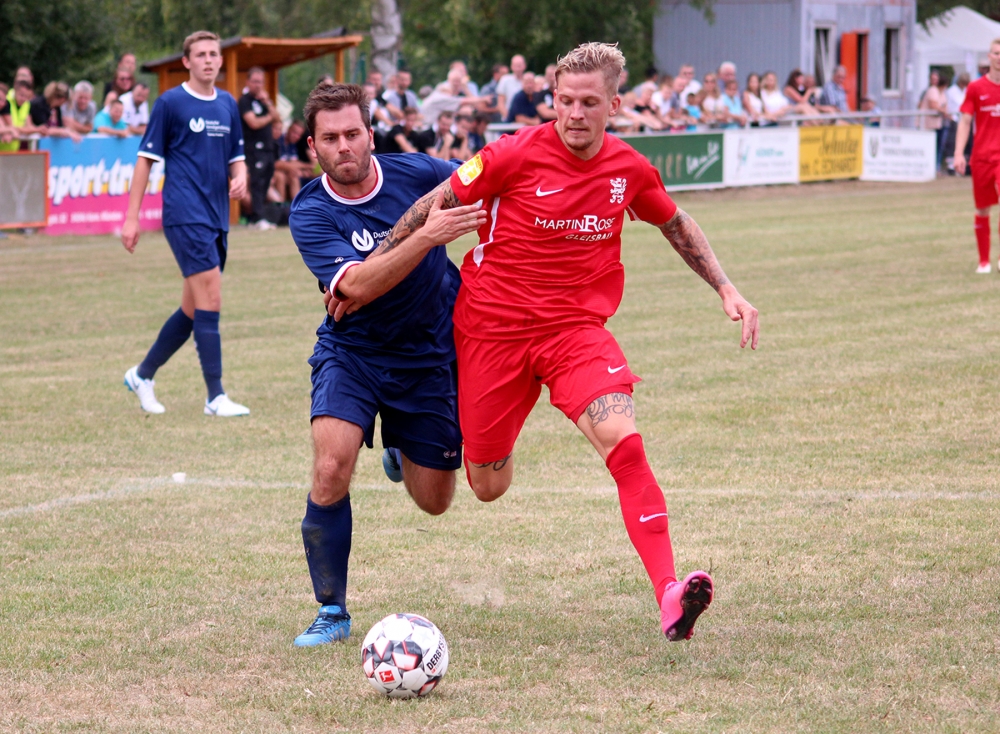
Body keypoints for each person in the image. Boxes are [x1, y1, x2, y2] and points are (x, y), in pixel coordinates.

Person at [333, 42, 760, 642]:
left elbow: (675, 222)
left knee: (625, 445)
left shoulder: (629, 169)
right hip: (491, 334)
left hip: (576, 334)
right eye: (565, 101)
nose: (575, 113)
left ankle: (668, 592)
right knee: (487, 485)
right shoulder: (510, 154)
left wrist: (726, 287)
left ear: (615, 105)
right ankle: (407, 451)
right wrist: (372, 268)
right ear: (553, 100)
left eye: (589, 103)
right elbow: (436, 201)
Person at [287, 82, 486, 646]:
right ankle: (332, 609)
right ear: (312, 146)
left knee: (435, 502)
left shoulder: (418, 172)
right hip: (353, 352)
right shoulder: (311, 211)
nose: (344, 146)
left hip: (429, 354)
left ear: (371, 135)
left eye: (353, 133)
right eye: (331, 138)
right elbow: (358, 287)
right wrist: (427, 236)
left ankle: (399, 448)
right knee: (331, 466)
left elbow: (487, 176)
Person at [120, 30, 250, 417]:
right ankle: (215, 397)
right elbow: (145, 160)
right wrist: (131, 218)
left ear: (220, 61)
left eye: (213, 54)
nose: (209, 59)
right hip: (184, 213)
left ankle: (142, 375)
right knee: (212, 298)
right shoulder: (170, 103)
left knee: (193, 310)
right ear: (187, 62)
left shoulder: (227, 104)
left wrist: (241, 177)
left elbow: (237, 157)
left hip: (216, 217)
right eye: (201, 54)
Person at [955, 39, 1000, 273]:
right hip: (981, 157)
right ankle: (984, 261)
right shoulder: (975, 88)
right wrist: (958, 153)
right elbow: (965, 121)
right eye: (996, 53)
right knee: (983, 208)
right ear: (989, 56)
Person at [239, 67, 279, 228]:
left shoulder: (264, 101)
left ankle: (258, 215)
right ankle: (257, 217)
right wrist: (269, 117)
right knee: (257, 181)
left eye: (260, 82)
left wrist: (268, 102)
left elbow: (278, 118)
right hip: (254, 149)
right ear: (248, 82)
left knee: (266, 181)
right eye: (255, 81)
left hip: (268, 148)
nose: (258, 85)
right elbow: (253, 123)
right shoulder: (245, 101)